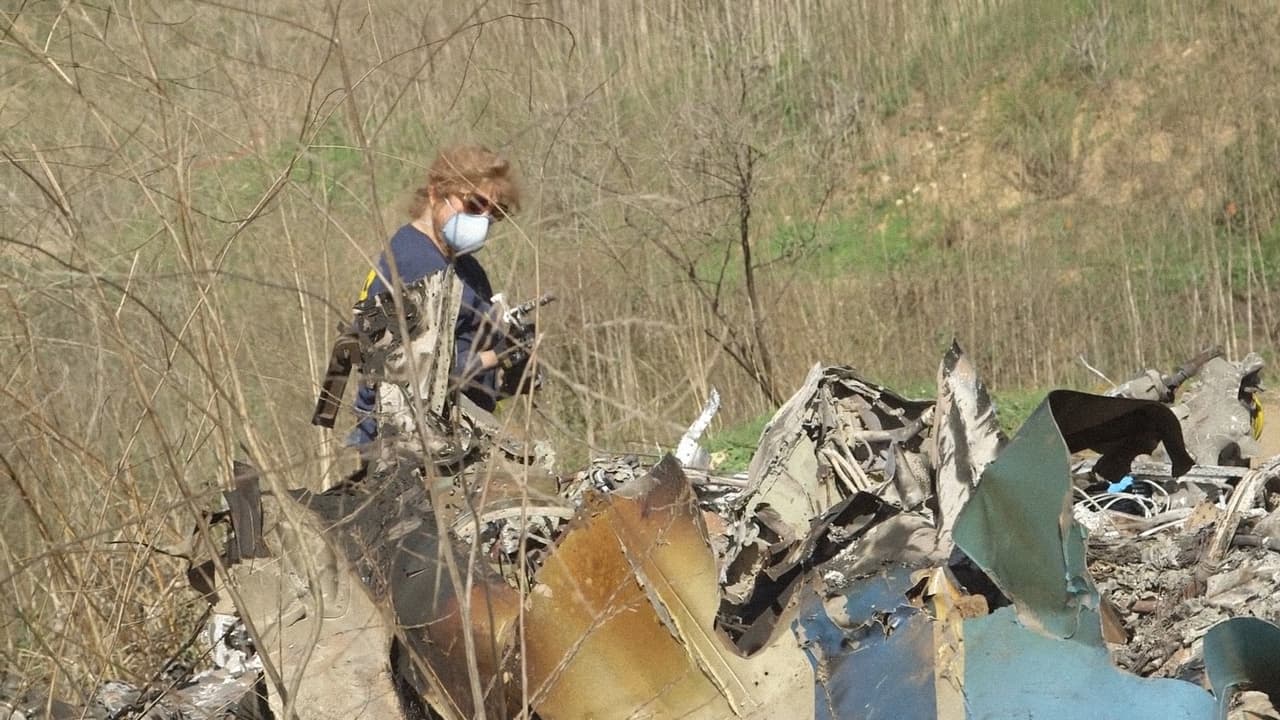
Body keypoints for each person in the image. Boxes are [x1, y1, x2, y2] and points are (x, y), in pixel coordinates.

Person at [346, 144, 521, 447]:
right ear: (435, 192)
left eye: (496, 213)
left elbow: (467, 352)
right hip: (409, 443)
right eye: (476, 204)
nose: (485, 219)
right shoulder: (416, 265)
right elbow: (416, 372)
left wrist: (514, 367)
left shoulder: (466, 269)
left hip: (456, 431)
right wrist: (497, 356)